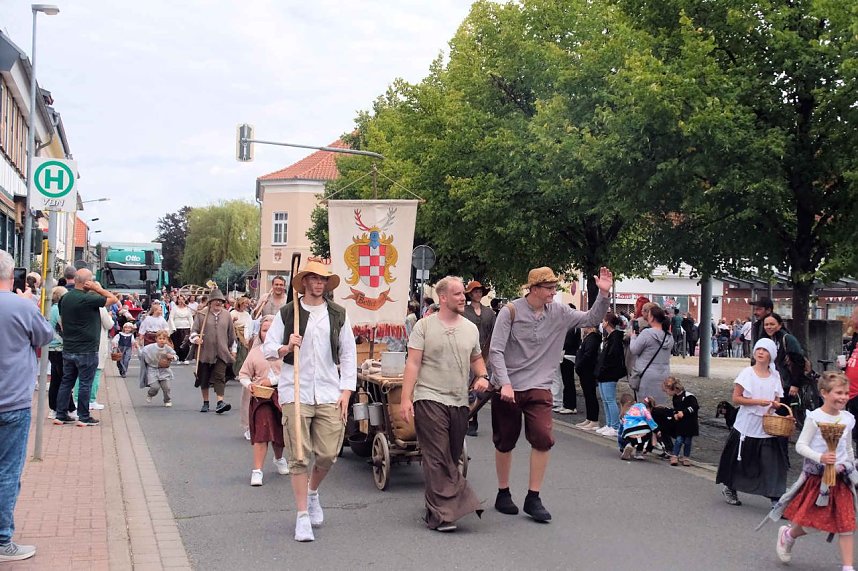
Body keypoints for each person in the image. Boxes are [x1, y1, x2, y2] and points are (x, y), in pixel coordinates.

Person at [488, 266, 612, 522]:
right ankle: (503, 492)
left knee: (543, 438)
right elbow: (496, 351)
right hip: (509, 385)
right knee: (505, 441)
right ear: (533, 289)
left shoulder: (560, 312)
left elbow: (590, 318)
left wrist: (603, 294)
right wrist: (505, 383)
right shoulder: (509, 312)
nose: (554, 292)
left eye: (555, 287)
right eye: (549, 287)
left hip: (540, 385)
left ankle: (533, 497)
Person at [262, 260, 356, 542]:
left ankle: (313, 492)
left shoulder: (338, 314)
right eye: (314, 278)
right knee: (299, 456)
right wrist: (286, 346)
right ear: (304, 282)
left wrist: (346, 391)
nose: (319, 283)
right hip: (296, 392)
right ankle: (302, 516)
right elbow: (268, 349)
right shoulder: (288, 312)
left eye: (323, 279)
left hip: (329, 391)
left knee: (328, 453)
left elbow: (348, 353)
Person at [400, 276, 488, 532]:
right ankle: (443, 516)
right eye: (459, 294)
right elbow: (413, 364)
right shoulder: (424, 327)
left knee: (449, 455)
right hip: (429, 397)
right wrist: (406, 398)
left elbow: (477, 360)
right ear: (443, 298)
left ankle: (435, 506)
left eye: (464, 294)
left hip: (459, 401)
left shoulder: (471, 328)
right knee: (437, 456)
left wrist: (482, 376)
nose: (464, 297)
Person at [764, 372, 857, 568]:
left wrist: (849, 466)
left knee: (846, 524)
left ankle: (847, 567)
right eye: (838, 392)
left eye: (846, 393)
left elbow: (847, 448)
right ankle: (788, 535)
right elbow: (801, 445)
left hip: (841, 479)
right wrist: (820, 458)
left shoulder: (847, 419)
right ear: (824, 393)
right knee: (813, 523)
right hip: (818, 479)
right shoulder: (814, 418)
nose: (843, 397)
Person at [0, 251, 53, 562]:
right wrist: (29, 301)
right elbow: (44, 335)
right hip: (12, 401)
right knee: (6, 473)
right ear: (12, 274)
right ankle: (3, 540)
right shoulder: (22, 305)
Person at [716, 338, 788, 507]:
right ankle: (730, 487)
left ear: (771, 355)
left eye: (765, 350)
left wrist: (775, 405)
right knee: (740, 460)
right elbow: (736, 398)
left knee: (771, 462)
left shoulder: (775, 375)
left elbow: (777, 399)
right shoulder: (747, 373)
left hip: (767, 425)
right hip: (746, 425)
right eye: (759, 349)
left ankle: (775, 498)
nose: (761, 352)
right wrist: (756, 401)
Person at [54, 269, 118, 427]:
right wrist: (97, 289)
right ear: (87, 282)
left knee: (66, 382)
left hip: (69, 347)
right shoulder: (89, 298)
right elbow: (113, 299)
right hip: (87, 348)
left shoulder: (65, 298)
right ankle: (83, 416)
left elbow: (61, 321)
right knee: (85, 383)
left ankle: (60, 414)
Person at [239, 315, 289, 485]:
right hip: (261, 398)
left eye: (271, 330)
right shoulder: (255, 353)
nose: (268, 333)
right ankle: (257, 470)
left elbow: (295, 373)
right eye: (264, 330)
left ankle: (279, 458)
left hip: (283, 396)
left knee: (280, 431)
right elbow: (243, 374)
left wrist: (273, 381)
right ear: (260, 333)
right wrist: (249, 385)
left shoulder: (286, 352)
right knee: (263, 429)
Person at [190, 289, 236, 414]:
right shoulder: (202, 315)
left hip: (222, 352)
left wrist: (233, 349)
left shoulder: (227, 315)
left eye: (220, 301)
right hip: (205, 352)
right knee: (203, 378)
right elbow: (193, 331)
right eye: (215, 300)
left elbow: (231, 334)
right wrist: (196, 338)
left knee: (220, 377)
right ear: (210, 302)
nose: (218, 303)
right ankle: (206, 402)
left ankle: (220, 402)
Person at [462, 280, 495, 436]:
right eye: (475, 292)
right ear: (470, 294)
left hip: (484, 354)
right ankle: (466, 419)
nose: (478, 294)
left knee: (479, 387)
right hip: (466, 353)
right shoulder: (464, 311)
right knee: (466, 386)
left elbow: (494, 334)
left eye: (480, 292)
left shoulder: (489, 312)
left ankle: (473, 419)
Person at [629, 305, 674, 405]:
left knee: (645, 406)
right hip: (664, 374)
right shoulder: (669, 336)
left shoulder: (647, 333)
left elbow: (634, 349)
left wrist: (633, 337)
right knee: (659, 406)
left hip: (646, 375)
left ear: (652, 317)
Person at [73, 304, 114, 411]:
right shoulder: (100, 308)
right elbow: (108, 324)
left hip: (82, 343)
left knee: (80, 373)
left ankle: (77, 399)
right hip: (97, 343)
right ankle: (91, 400)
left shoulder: (80, 306)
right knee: (96, 372)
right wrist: (109, 316)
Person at [595, 313, 627, 438]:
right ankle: (609, 424)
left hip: (609, 373)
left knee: (610, 399)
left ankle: (615, 426)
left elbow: (612, 357)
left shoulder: (615, 338)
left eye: (603, 321)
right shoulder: (609, 337)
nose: (602, 324)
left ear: (607, 322)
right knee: (605, 399)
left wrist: (604, 367)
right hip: (604, 372)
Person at [763, 312, 807, 399]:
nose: (769, 327)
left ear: (780, 325)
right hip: (774, 383)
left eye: (772, 324)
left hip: (787, 384)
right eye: (766, 324)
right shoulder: (769, 339)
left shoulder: (788, 339)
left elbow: (799, 362)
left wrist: (795, 384)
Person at [47, 286, 75, 419]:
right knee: (65, 379)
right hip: (59, 347)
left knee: (56, 379)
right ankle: (68, 407)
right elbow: (64, 327)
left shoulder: (51, 309)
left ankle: (54, 407)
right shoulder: (59, 310)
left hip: (51, 347)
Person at [663, 377, 699, 467]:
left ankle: (686, 457)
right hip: (681, 423)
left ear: (673, 389)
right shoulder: (675, 397)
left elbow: (695, 407)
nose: (667, 393)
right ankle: (675, 455)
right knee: (679, 440)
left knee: (687, 441)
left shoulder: (688, 396)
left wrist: (684, 412)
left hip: (690, 423)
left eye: (667, 391)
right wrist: (675, 413)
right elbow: (676, 408)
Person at [574, 327, 601, 430]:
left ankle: (594, 420)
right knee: (587, 395)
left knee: (591, 395)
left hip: (588, 370)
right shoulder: (588, 338)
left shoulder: (593, 339)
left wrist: (580, 365)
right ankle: (589, 418)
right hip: (584, 371)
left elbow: (588, 355)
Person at [618, 393, 658, 461]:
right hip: (643, 432)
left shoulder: (624, 415)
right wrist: (656, 429)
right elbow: (648, 419)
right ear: (635, 402)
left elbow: (620, 433)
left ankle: (628, 445)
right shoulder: (641, 408)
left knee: (628, 436)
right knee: (644, 433)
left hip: (629, 434)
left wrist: (621, 446)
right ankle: (639, 452)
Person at [140, 330, 176, 406]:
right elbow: (143, 352)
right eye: (160, 338)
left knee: (166, 387)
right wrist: (139, 349)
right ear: (156, 339)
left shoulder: (168, 348)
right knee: (155, 387)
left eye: (164, 339)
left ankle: (167, 400)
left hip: (164, 370)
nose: (162, 340)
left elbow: (175, 355)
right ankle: (150, 394)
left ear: (166, 340)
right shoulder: (150, 347)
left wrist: (172, 357)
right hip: (152, 369)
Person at [558, 312, 581, 415]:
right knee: (567, 381)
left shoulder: (572, 327)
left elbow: (567, 342)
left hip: (568, 355)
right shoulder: (573, 327)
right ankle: (567, 404)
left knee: (568, 381)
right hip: (569, 354)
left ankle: (570, 405)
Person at [168, 295, 194, 364]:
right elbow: (171, 318)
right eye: (179, 299)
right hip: (177, 328)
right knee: (177, 343)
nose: (181, 301)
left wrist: (192, 327)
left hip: (186, 327)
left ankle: (185, 358)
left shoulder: (188, 309)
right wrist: (173, 327)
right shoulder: (174, 308)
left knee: (185, 343)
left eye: (182, 299)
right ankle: (179, 358)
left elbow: (190, 318)